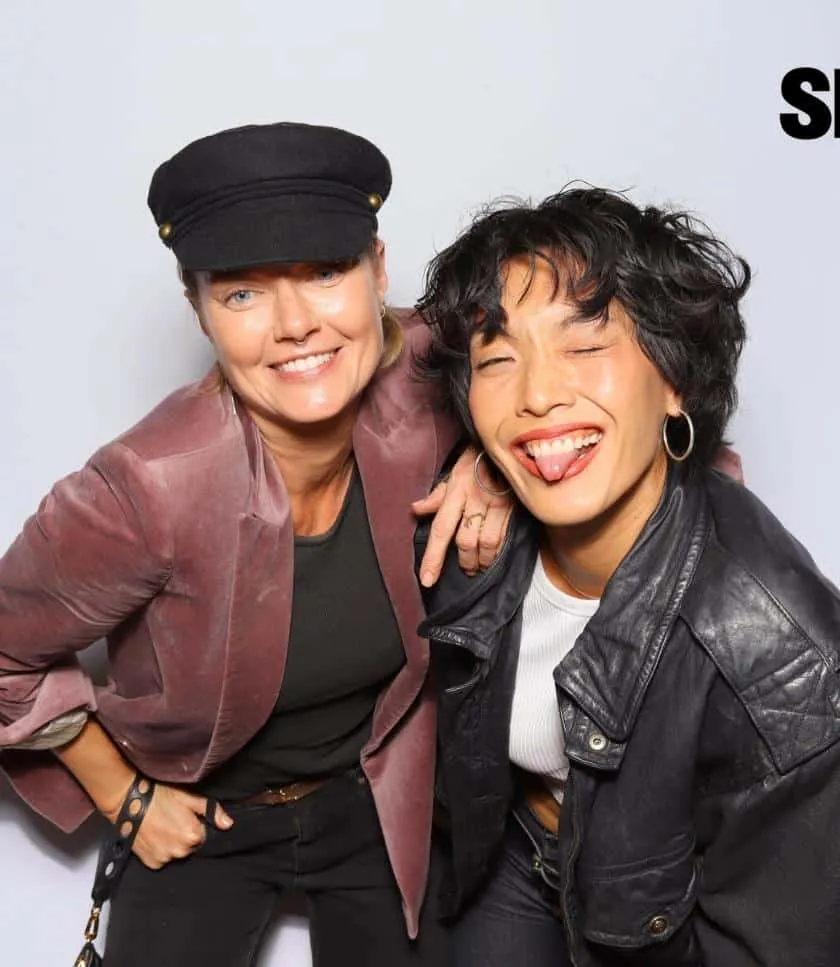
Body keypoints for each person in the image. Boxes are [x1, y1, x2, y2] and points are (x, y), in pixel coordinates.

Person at [0, 122, 513, 967]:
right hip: (206, 815)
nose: (295, 325)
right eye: (242, 293)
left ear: (379, 270)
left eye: (324, 273)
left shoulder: (441, 373)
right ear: (198, 309)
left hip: (383, 798)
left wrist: (502, 459)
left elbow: (632, 429)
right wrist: (122, 795)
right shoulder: (147, 485)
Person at [414, 187, 840, 967]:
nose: (537, 394)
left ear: (674, 377)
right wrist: (477, 457)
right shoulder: (474, 528)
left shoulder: (786, 669)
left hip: (665, 920)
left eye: (584, 346)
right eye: (498, 359)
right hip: (514, 858)